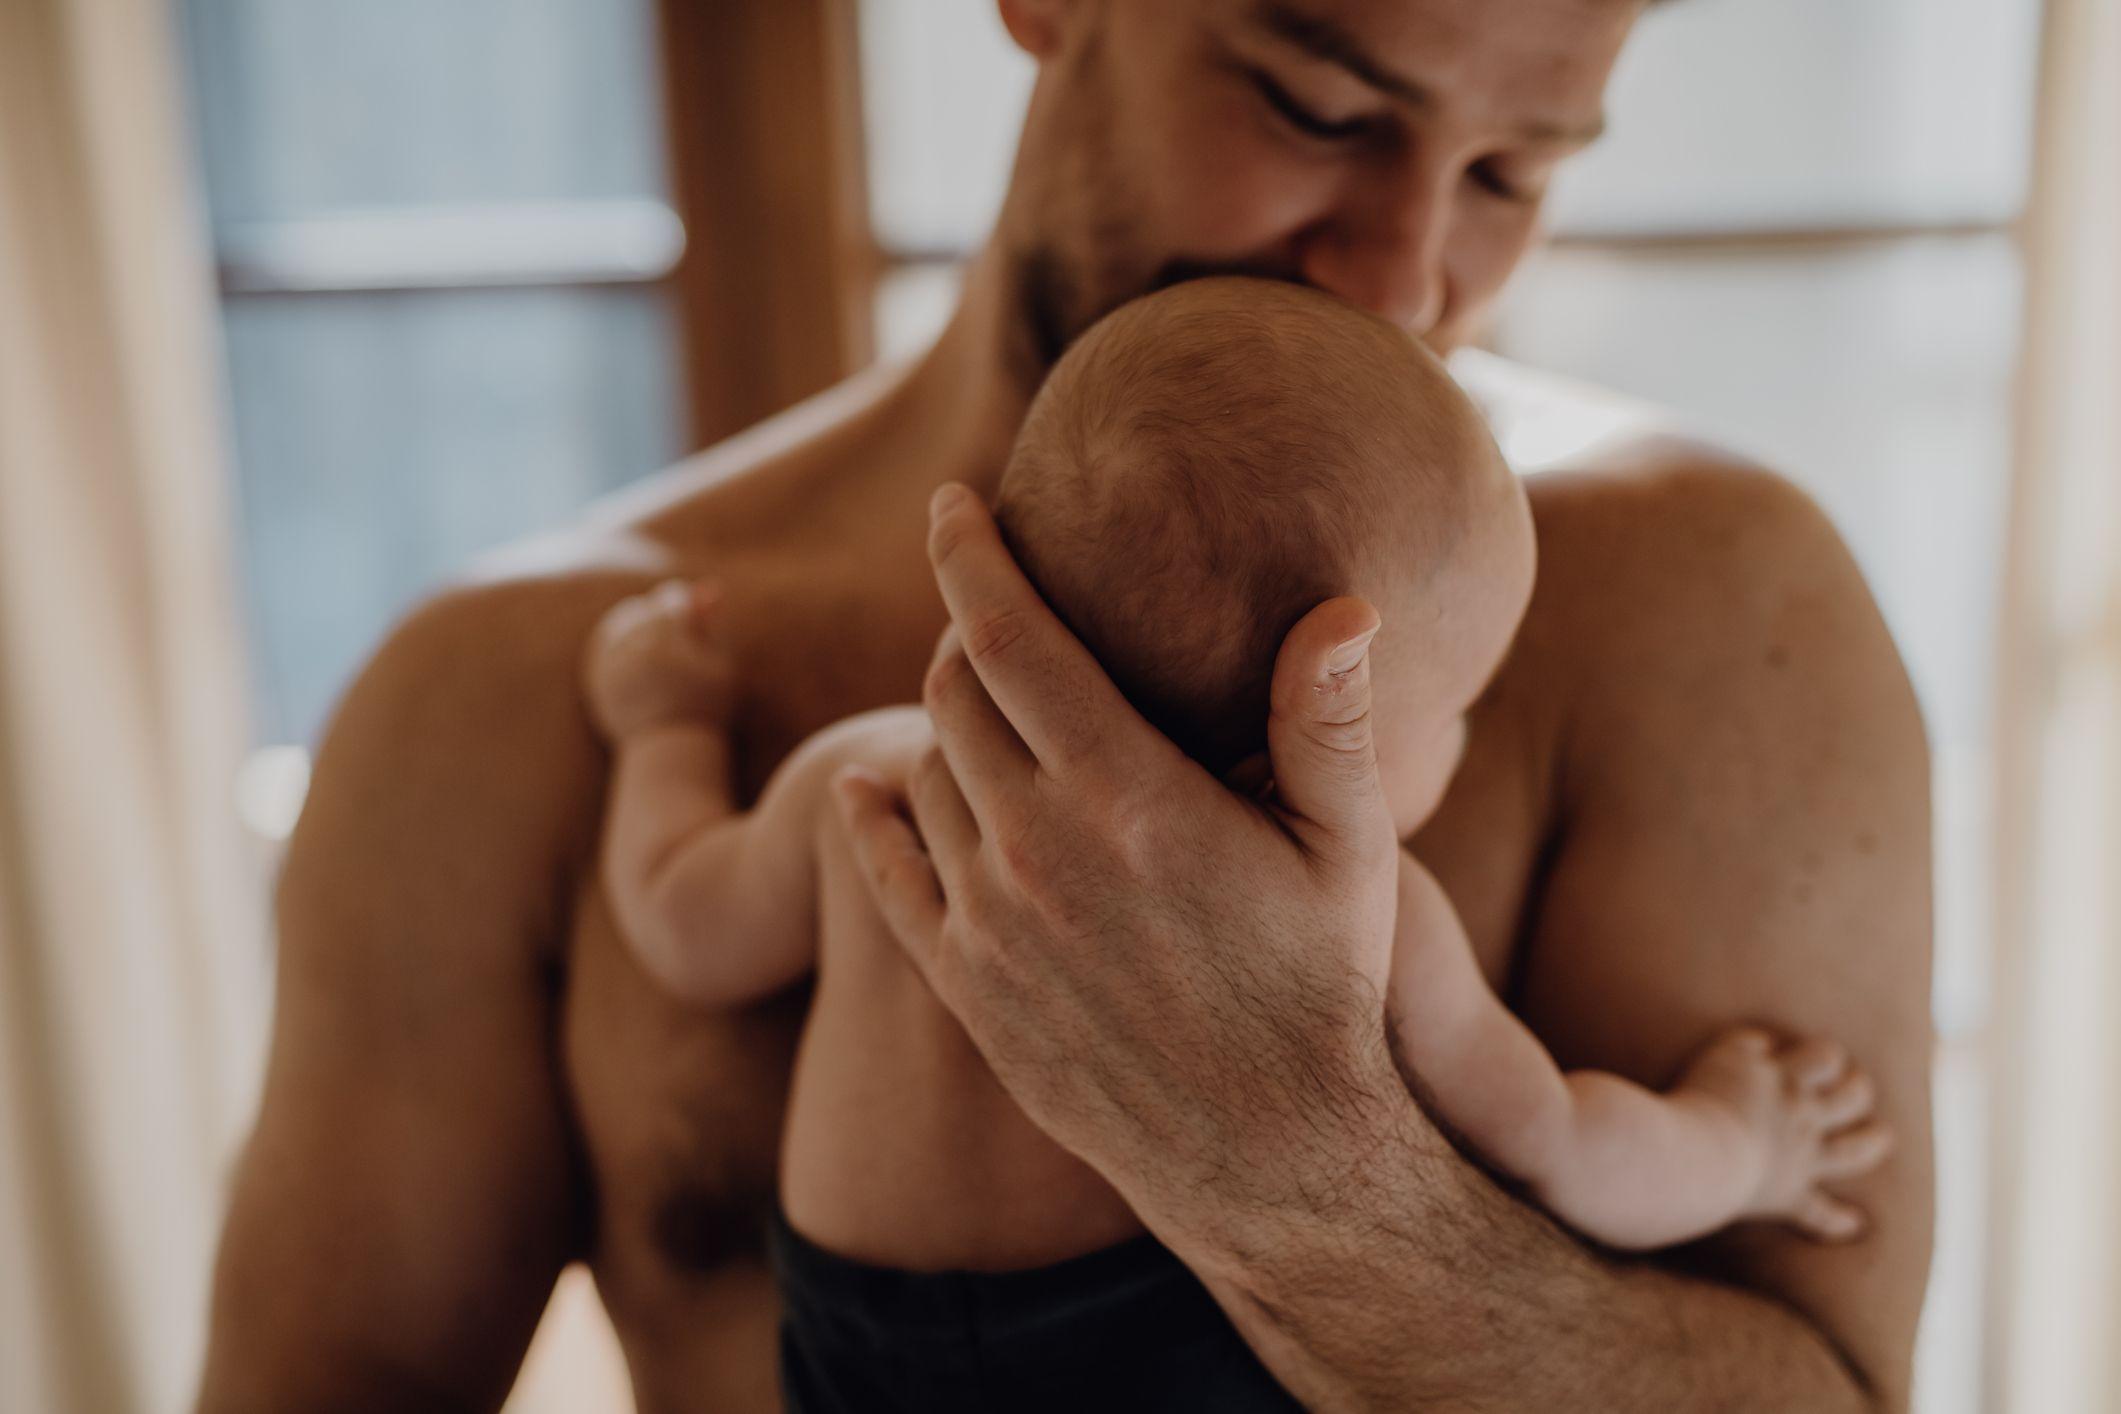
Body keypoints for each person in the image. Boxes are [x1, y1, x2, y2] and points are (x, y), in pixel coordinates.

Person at [197, 2, 1935, 1410]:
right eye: (1315, 106)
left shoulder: (1711, 610)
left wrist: (1310, 1179)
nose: (1404, 282)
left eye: (1508, 173)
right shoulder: (507, 695)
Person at [581, 278, 1895, 1411]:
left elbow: (679, 919)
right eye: (1458, 704)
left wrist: (665, 724)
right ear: (1316, 721)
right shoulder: (1357, 924)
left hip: (859, 1351)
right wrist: (1739, 1138)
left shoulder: (862, 779)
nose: (1471, 734)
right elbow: (1558, 1142)